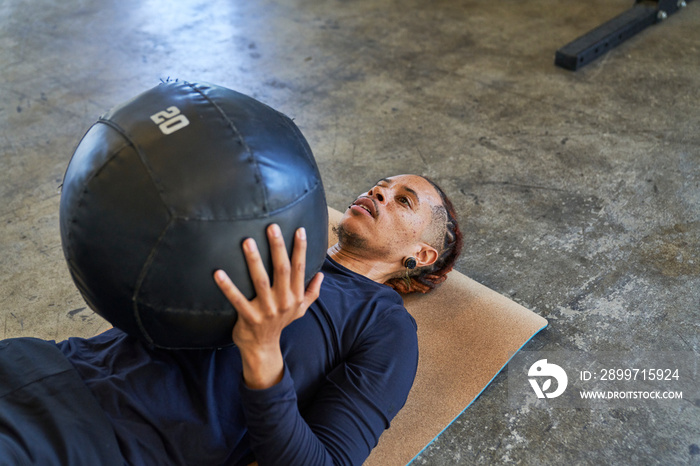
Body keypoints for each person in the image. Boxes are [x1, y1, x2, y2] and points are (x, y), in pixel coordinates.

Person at [0, 174, 462, 466]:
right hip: (45, 365)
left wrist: (262, 353)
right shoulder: (278, 239)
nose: (378, 189)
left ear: (421, 255)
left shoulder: (384, 328)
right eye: (382, 182)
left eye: (404, 201)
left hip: (109, 440)